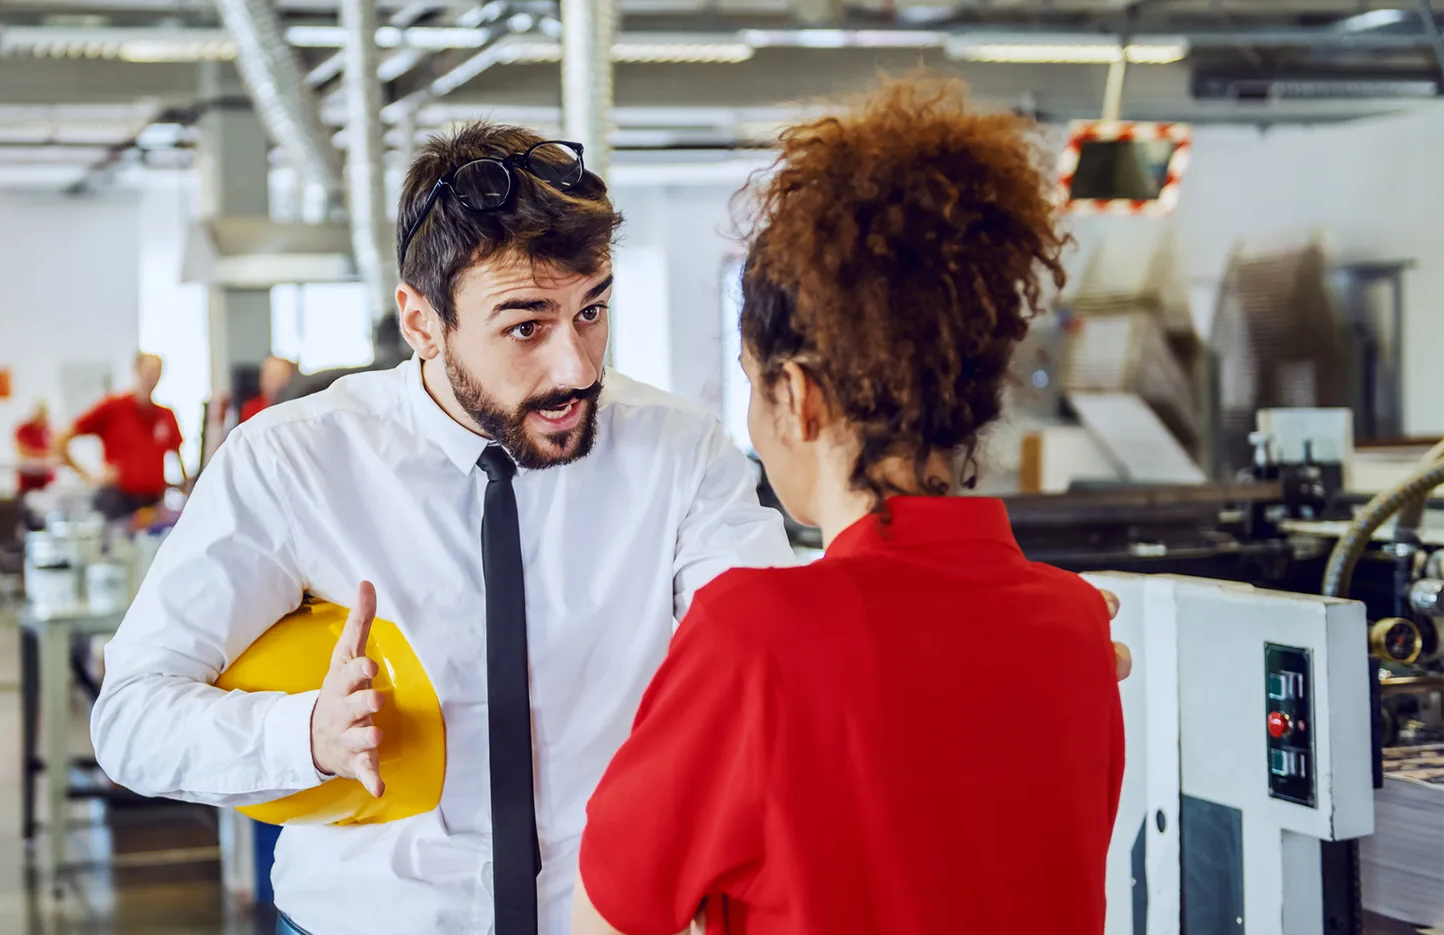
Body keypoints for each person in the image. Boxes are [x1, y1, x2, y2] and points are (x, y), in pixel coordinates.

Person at [93, 124, 1129, 935]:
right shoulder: (296, 460)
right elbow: (132, 716)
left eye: (593, 309)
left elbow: (790, 640)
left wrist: (980, 645)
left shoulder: (675, 451)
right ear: (421, 321)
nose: (576, 365)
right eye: (525, 326)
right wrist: (299, 737)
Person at [571, 77, 1124, 935]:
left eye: (753, 386)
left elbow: (607, 918)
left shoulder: (752, 637)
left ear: (797, 395)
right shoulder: (1078, 627)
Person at [56, 352, 185, 522]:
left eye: (156, 372)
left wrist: (185, 487)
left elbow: (177, 453)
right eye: (148, 371)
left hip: (153, 505)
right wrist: (88, 476)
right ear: (137, 371)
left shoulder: (165, 415)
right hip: (119, 503)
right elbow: (61, 440)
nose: (151, 378)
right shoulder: (114, 408)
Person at [13, 400, 55, 496]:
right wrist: (43, 454)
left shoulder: (48, 429)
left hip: (45, 477)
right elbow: (22, 451)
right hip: (27, 476)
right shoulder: (23, 429)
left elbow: (54, 449)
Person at [240, 355, 299, 423]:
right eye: (267, 376)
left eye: (277, 376)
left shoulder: (295, 410)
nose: (269, 382)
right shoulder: (250, 408)